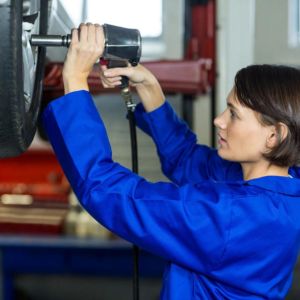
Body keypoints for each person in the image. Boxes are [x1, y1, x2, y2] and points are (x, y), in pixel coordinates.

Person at [42, 23, 300, 300]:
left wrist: (76, 81)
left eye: (234, 114)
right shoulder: (283, 189)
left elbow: (106, 192)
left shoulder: (229, 216)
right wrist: (151, 89)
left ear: (274, 135)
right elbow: (187, 160)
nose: (218, 120)